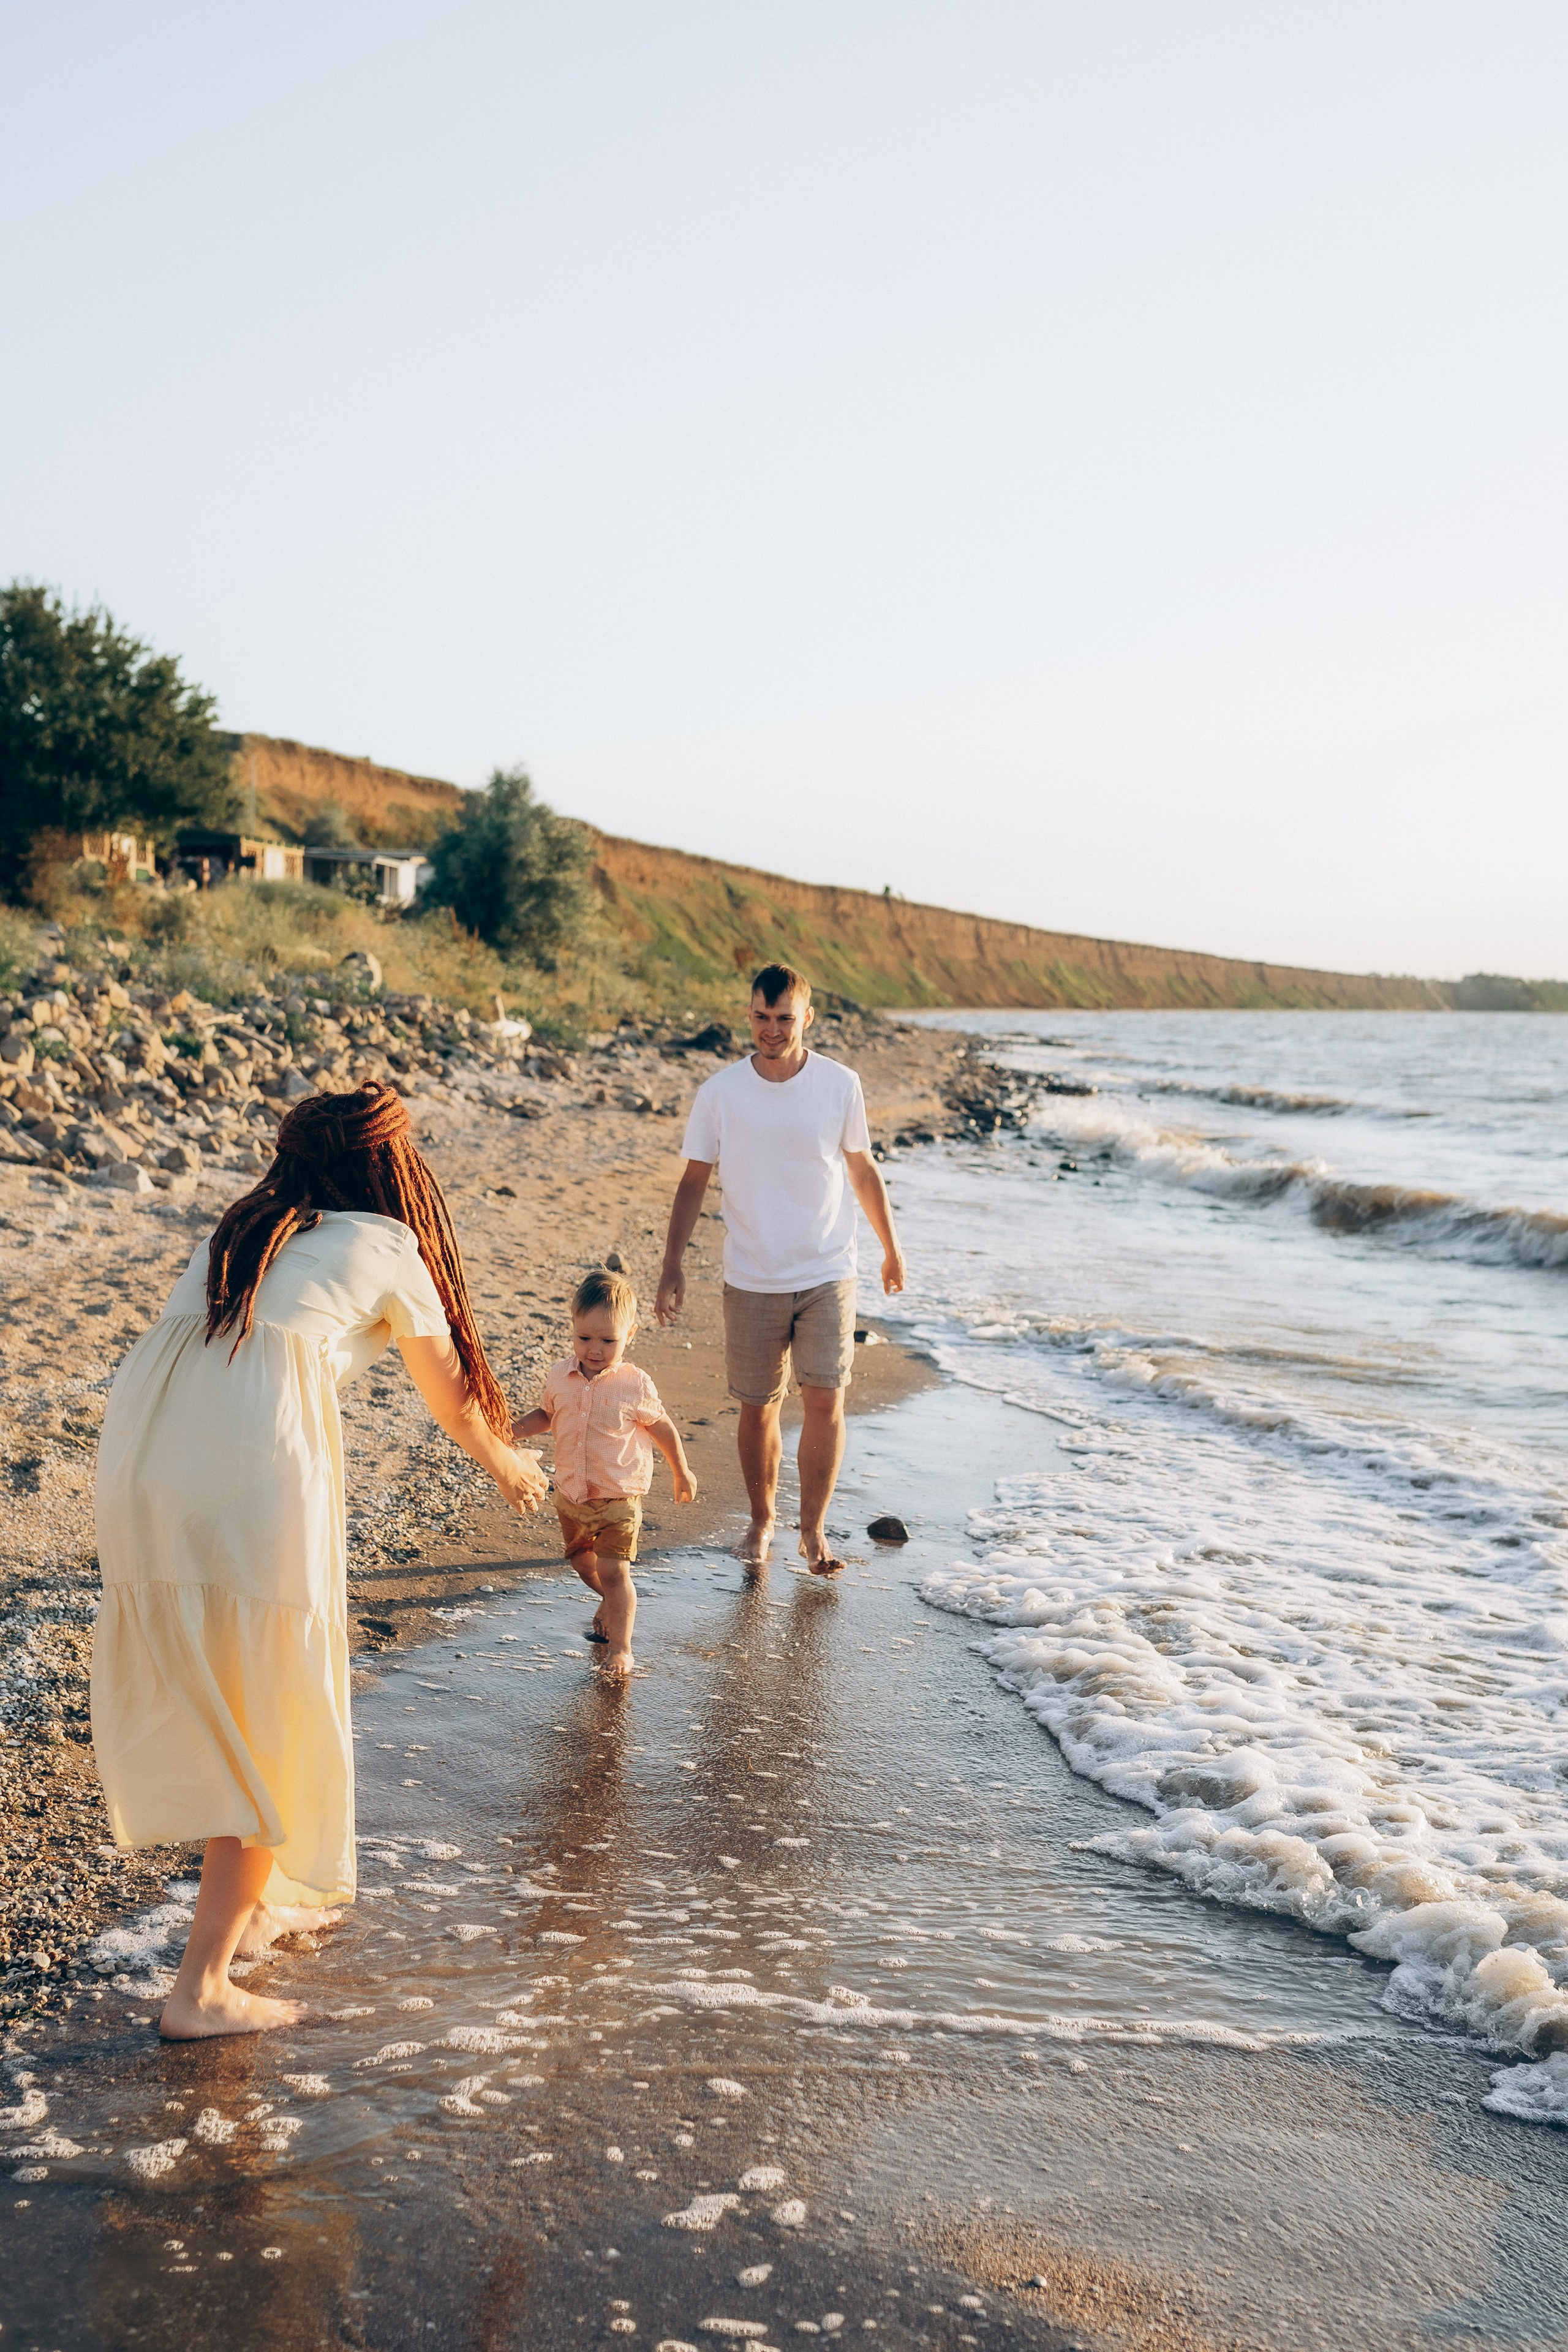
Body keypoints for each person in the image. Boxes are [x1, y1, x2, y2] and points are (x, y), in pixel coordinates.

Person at [90, 1082, 547, 2041]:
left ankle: (252, 1911)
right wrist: (511, 1466)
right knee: (271, 1702)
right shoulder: (389, 1243)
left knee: (224, 1683)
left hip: (140, 1450)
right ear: (392, 1169)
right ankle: (200, 1989)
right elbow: (457, 1398)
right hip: (250, 1457)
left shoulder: (246, 1227)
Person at [655, 962, 905, 1575]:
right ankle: (762, 1521)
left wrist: (890, 1247)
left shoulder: (839, 1085)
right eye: (762, 1017)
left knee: (825, 1400)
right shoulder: (719, 1094)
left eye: (784, 1019)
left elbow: (862, 1170)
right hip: (751, 1274)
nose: (771, 1029)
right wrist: (671, 1265)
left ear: (807, 1018)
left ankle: (813, 1532)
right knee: (758, 1406)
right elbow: (693, 1182)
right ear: (749, 1014)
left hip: (826, 1271)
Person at [514, 1268, 696, 1677]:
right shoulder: (561, 1376)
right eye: (585, 1338)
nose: (594, 1350)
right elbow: (546, 1414)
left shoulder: (634, 1384)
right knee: (584, 1564)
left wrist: (680, 1470)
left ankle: (622, 1649)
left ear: (629, 1336)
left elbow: (661, 1425)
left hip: (619, 1495)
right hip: (573, 1494)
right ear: (573, 1330)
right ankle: (615, 1600)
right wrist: (514, 1431)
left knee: (615, 1571)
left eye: (608, 1340)